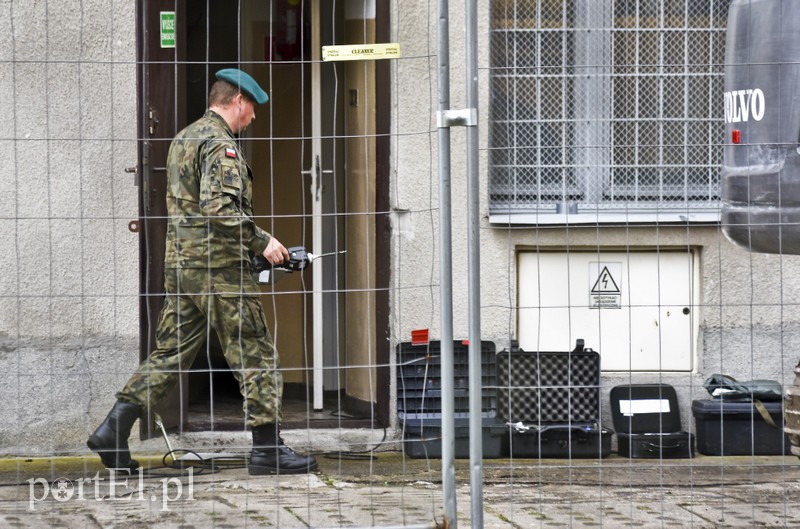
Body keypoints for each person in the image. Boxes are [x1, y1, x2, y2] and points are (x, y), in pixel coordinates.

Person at [87, 68, 318, 475]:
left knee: (171, 353)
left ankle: (114, 427)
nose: (254, 118)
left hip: (183, 268)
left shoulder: (184, 138)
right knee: (256, 352)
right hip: (220, 271)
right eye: (252, 109)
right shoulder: (220, 145)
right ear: (237, 102)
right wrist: (263, 241)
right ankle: (268, 450)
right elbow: (220, 209)